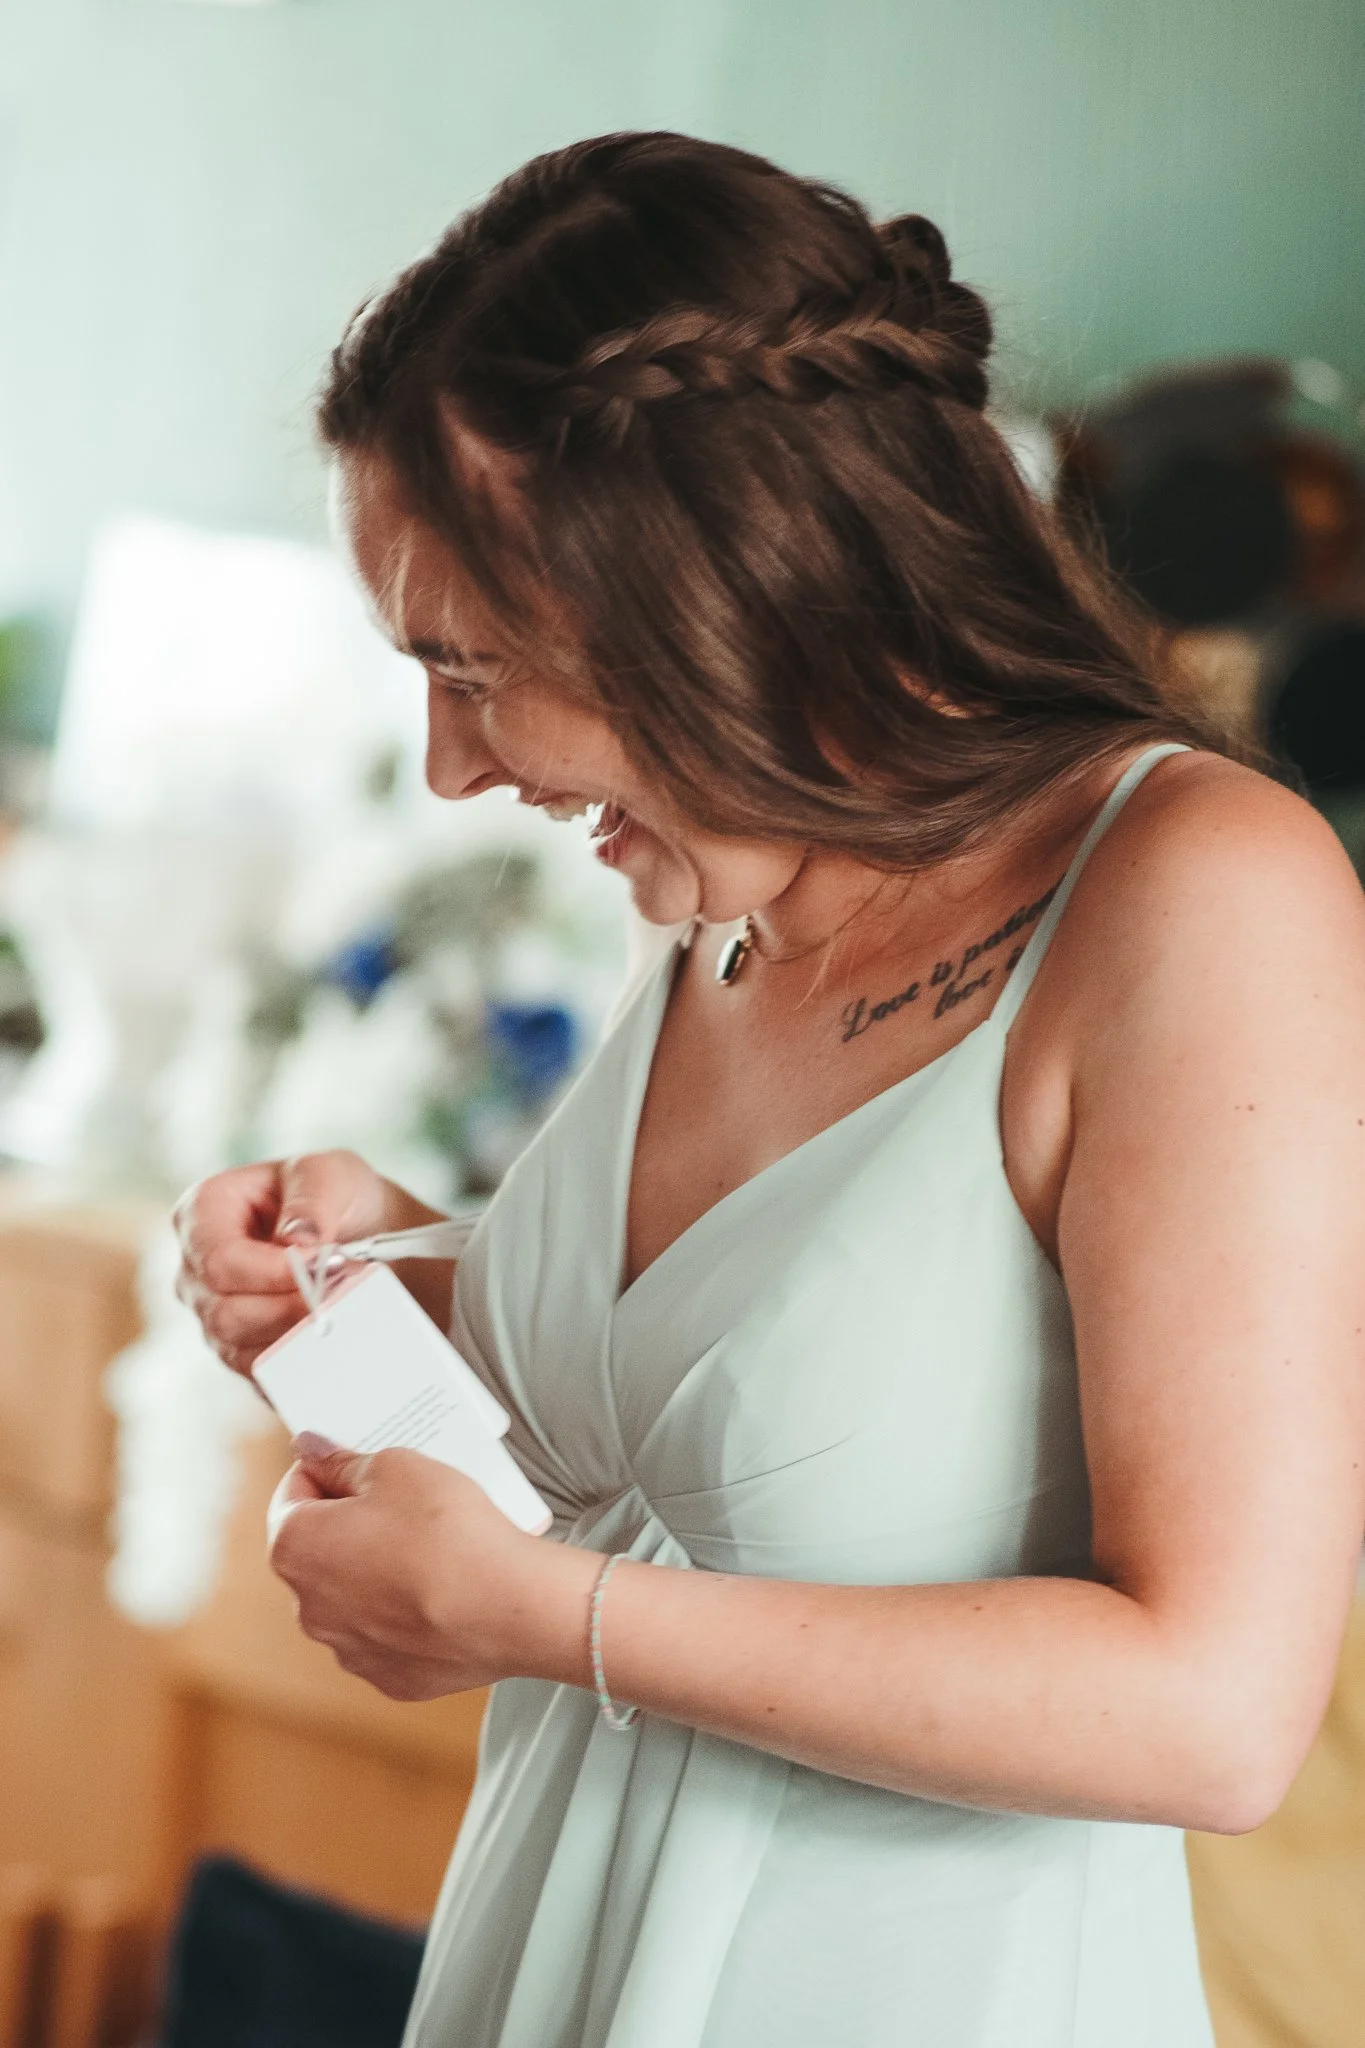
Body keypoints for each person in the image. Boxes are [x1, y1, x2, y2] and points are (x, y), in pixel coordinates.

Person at [175, 133, 1365, 2048]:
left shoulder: (1198, 895)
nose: (448, 769)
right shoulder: (731, 875)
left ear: (723, 604)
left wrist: (534, 1622)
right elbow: (782, 1405)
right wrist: (406, 1279)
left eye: (479, 672)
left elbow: (1213, 1711)